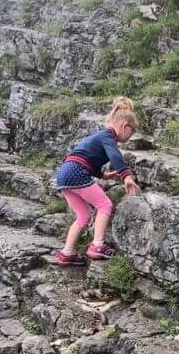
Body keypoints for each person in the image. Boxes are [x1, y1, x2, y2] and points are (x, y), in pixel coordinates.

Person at [52, 97, 141, 266]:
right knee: (105, 205)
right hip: (76, 172)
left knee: (83, 216)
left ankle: (66, 253)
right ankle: (97, 246)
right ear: (124, 126)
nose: (130, 136)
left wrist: (103, 176)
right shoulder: (109, 136)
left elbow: (85, 158)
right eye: (132, 131)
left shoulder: (100, 136)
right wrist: (127, 176)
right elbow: (115, 156)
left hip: (65, 173)